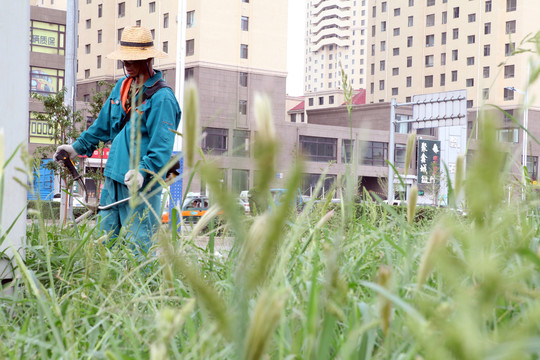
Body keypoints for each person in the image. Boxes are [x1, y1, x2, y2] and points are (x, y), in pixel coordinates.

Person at [54, 26, 181, 255]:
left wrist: (145, 171)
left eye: (134, 59)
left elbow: (162, 146)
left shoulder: (163, 98)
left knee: (139, 247)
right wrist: (76, 148)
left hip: (140, 183)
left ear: (148, 59)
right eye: (125, 59)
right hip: (113, 178)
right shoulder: (121, 88)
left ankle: (143, 291)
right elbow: (102, 125)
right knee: (104, 244)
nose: (127, 64)